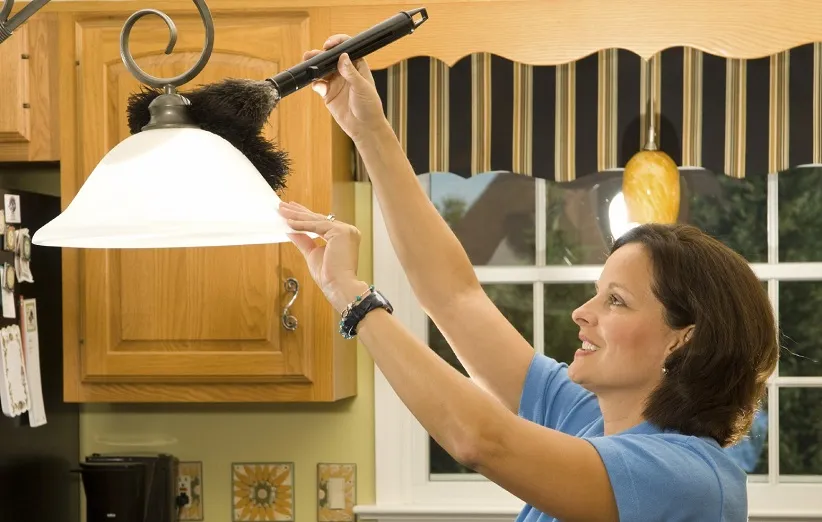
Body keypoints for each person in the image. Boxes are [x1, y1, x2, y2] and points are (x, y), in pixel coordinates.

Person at [277, 36, 780, 522]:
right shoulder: (585, 418)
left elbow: (479, 440)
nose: (581, 313)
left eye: (617, 301)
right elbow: (454, 296)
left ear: (681, 339)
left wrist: (354, 298)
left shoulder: (688, 477)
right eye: (597, 294)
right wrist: (368, 130)